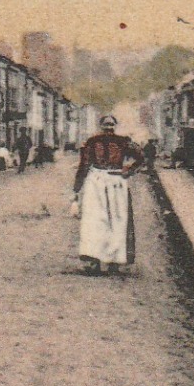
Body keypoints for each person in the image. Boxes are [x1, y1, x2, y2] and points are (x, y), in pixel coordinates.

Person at [72, 114, 143, 276]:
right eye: (108, 125)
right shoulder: (120, 141)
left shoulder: (93, 141)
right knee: (110, 220)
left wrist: (76, 189)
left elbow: (83, 167)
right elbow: (140, 157)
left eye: (110, 126)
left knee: (101, 220)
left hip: (103, 181)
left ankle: (100, 261)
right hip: (108, 180)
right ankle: (110, 261)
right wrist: (129, 170)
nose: (109, 129)